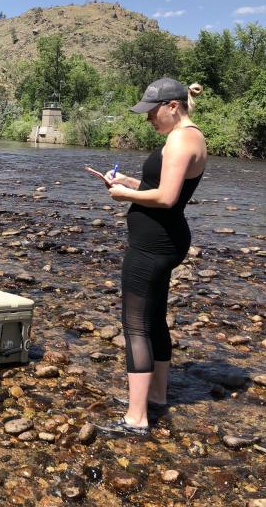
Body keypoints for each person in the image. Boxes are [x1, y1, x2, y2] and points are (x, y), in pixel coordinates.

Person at [97, 78, 206, 436]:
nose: (148, 120)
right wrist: (127, 182)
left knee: (136, 325)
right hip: (165, 240)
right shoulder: (191, 135)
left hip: (153, 245)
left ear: (172, 106)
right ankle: (156, 396)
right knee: (155, 318)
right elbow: (159, 186)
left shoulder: (179, 140)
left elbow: (167, 198)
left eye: (152, 112)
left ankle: (136, 417)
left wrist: (122, 197)